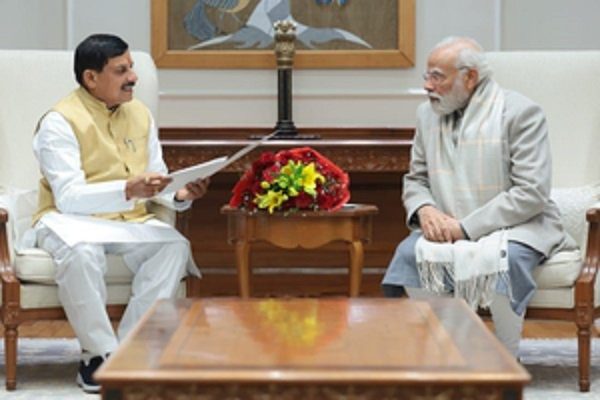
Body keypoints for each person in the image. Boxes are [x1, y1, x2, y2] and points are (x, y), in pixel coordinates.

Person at [31, 34, 209, 393]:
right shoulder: (58, 122)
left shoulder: (140, 114)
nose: (133, 78)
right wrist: (128, 189)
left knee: (173, 246)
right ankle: (98, 355)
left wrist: (181, 194)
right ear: (91, 78)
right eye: (121, 70)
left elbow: (157, 177)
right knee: (83, 253)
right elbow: (69, 198)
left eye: (132, 68)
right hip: (70, 223)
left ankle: (130, 350)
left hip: (129, 223)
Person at [381, 36, 576, 358]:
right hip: (445, 223)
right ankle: (455, 350)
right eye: (426, 76)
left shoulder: (521, 113)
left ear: (470, 77)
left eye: (437, 77)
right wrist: (426, 210)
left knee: (505, 263)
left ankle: (505, 358)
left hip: (519, 226)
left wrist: (465, 228)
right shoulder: (427, 115)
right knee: (407, 255)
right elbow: (415, 179)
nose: (428, 86)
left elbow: (531, 193)